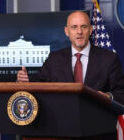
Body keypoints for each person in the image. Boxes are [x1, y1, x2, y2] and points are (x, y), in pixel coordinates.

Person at [17, 11, 124, 139]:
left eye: (84, 27)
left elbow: (121, 94)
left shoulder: (109, 59)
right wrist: (24, 81)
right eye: (74, 27)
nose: (79, 31)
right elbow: (38, 86)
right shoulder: (54, 59)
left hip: (99, 133)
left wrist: (107, 96)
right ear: (67, 31)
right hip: (62, 133)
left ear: (90, 30)